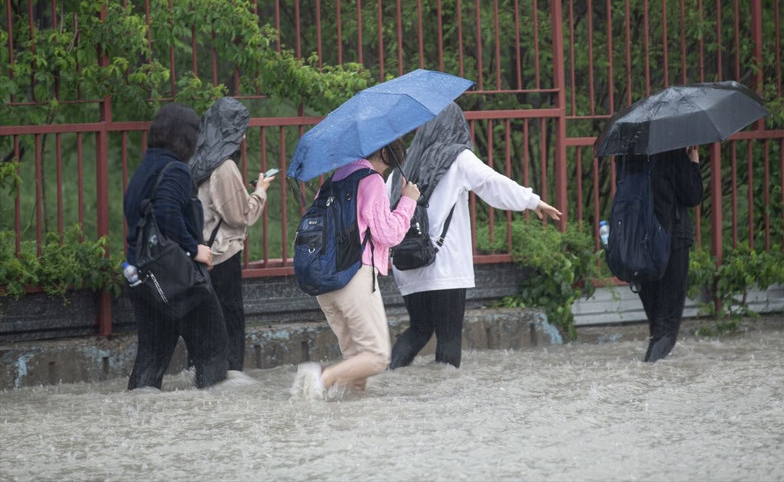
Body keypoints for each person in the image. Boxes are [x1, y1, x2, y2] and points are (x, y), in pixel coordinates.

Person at [388, 103, 562, 370]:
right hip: (444, 265)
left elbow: (388, 201)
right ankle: (447, 400)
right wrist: (532, 201)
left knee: (419, 330)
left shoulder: (408, 160)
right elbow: (492, 183)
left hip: (408, 261)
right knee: (449, 337)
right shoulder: (458, 158)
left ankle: (389, 377)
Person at [292, 140, 420, 399]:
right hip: (354, 278)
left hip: (326, 283)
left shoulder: (332, 181)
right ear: (385, 151)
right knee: (376, 356)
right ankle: (321, 377)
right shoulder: (371, 180)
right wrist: (408, 201)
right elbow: (388, 234)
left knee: (355, 365)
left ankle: (351, 422)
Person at [123, 103, 229, 390]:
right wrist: (194, 249)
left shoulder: (145, 169)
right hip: (178, 279)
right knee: (213, 351)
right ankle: (220, 423)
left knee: (151, 359)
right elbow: (167, 212)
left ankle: (139, 418)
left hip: (143, 278)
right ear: (186, 137)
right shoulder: (177, 171)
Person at [188, 97, 275, 372]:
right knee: (230, 316)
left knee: (207, 319)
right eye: (241, 128)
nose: (245, 135)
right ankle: (230, 373)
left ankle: (204, 372)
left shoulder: (197, 159)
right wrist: (260, 191)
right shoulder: (224, 167)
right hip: (222, 254)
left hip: (200, 252)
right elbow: (240, 216)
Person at [638, 146, 703, 362]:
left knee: (657, 322)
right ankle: (649, 374)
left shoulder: (630, 154)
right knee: (667, 326)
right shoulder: (672, 150)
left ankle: (652, 372)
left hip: (640, 243)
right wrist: (693, 160)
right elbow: (692, 196)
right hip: (672, 240)